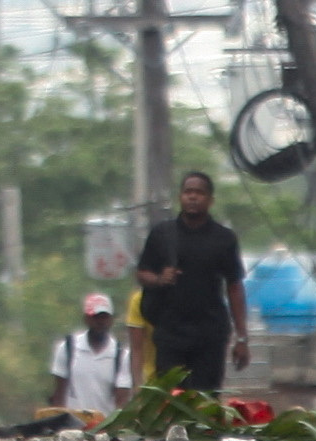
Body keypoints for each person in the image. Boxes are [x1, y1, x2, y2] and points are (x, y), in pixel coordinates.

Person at [131, 170, 248, 392]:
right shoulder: (162, 234)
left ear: (210, 200)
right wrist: (159, 279)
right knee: (172, 402)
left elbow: (234, 287)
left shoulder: (224, 238)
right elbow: (142, 272)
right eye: (188, 192)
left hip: (210, 334)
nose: (193, 197)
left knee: (206, 402)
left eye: (199, 193)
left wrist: (242, 338)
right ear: (180, 197)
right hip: (170, 333)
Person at [46, 292, 129, 423]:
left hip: (103, 427)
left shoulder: (121, 355)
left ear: (111, 320)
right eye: (95, 317)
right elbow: (59, 394)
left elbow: (122, 399)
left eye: (104, 317)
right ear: (86, 319)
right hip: (71, 427)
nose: (100, 322)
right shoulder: (68, 348)